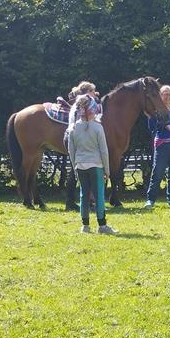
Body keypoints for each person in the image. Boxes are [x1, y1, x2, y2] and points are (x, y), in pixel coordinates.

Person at [63, 95, 116, 235]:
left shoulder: (73, 128)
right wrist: (107, 170)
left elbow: (71, 150)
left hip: (80, 165)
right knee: (99, 195)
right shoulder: (98, 128)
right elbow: (104, 151)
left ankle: (85, 226)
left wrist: (75, 166)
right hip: (96, 165)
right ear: (93, 110)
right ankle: (102, 225)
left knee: (83, 195)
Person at [145, 84, 170, 208]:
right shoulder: (156, 111)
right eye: (164, 94)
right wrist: (164, 126)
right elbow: (152, 128)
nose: (167, 96)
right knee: (157, 172)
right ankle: (150, 200)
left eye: (169, 94)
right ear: (160, 96)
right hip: (161, 145)